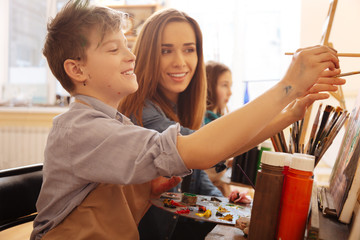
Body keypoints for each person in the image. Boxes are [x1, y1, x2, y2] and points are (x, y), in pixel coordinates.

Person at [32, 1, 344, 239]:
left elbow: (214, 150)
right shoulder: (82, 129)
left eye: (127, 46)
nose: (131, 56)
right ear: (77, 70)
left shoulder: (113, 126)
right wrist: (286, 87)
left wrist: (289, 113)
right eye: (115, 49)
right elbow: (202, 150)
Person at [119, 8, 344, 239]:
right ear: (146, 55)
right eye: (166, 51)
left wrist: (224, 203)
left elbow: (199, 176)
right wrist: (288, 88)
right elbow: (206, 151)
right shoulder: (142, 114)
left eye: (189, 49)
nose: (180, 61)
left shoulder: (178, 110)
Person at [204, 60, 233, 197]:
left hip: (220, 188)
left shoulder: (220, 118)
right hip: (208, 192)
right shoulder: (203, 122)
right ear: (208, 86)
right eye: (224, 85)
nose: (230, 92)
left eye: (230, 86)